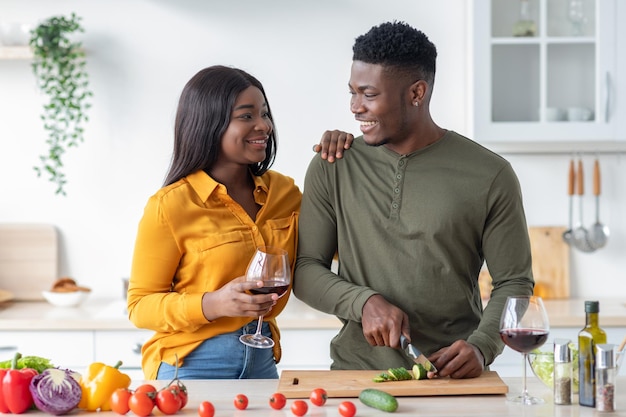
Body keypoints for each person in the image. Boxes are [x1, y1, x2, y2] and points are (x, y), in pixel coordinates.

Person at [293, 21, 534, 379]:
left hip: (452, 375)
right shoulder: (334, 164)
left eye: (368, 94)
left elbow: (514, 282)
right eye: (352, 93)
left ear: (416, 93)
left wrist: (483, 345)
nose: (355, 107)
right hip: (356, 374)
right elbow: (306, 269)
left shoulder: (490, 174)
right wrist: (364, 302)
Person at [127, 65, 353, 380]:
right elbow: (140, 305)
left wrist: (346, 162)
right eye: (246, 116)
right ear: (209, 124)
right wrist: (213, 303)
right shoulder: (170, 205)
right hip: (192, 364)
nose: (264, 125)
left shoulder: (284, 193)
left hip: (261, 360)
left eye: (264, 114)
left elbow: (342, 247)